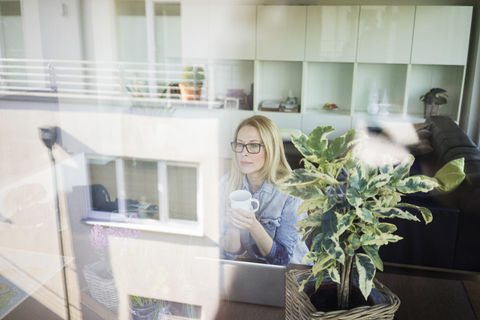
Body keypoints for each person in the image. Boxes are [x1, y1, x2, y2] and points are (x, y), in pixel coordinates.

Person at [219, 115, 309, 265]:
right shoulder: (226, 184)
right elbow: (225, 254)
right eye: (239, 144)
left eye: (254, 145)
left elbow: (283, 260)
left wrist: (253, 226)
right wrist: (233, 225)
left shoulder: (291, 191)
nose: (243, 153)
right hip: (252, 271)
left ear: (271, 149)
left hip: (293, 274)